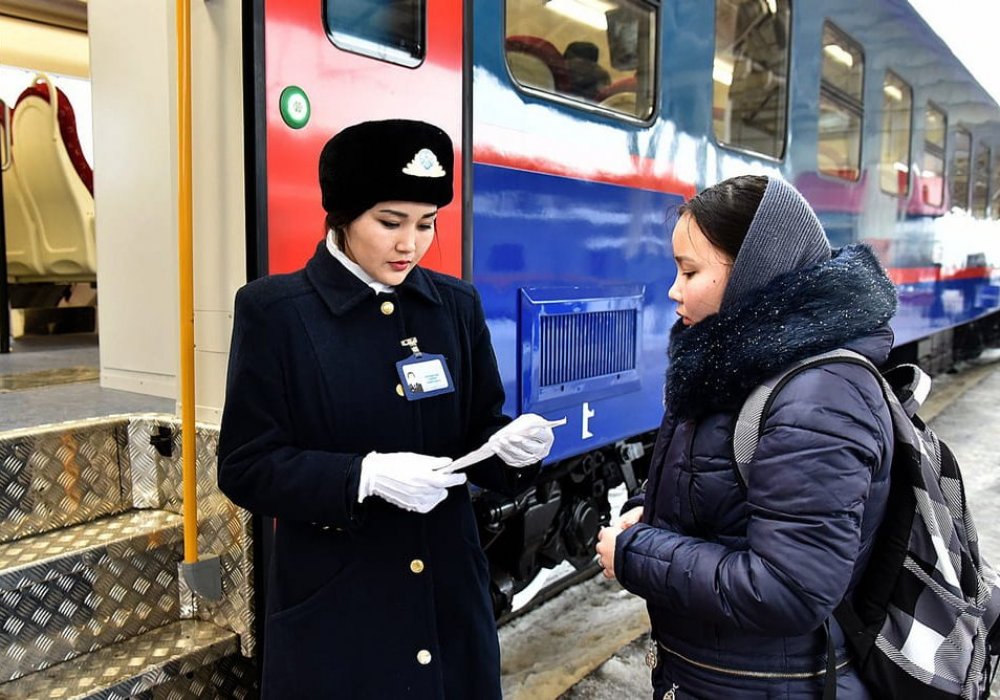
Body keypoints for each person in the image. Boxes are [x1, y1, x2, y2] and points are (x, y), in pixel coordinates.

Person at [217, 119, 557, 699]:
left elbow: (479, 430)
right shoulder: (276, 312)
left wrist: (515, 451)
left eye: (427, 224)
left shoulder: (454, 305)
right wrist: (363, 477)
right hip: (339, 613)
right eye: (389, 222)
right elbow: (246, 465)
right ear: (342, 217)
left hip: (447, 600)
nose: (410, 244)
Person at [595, 175, 898, 698]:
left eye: (690, 271)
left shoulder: (820, 397)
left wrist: (636, 554)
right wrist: (650, 509)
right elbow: (715, 489)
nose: (673, 289)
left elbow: (790, 588)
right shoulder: (726, 365)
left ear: (755, 272)